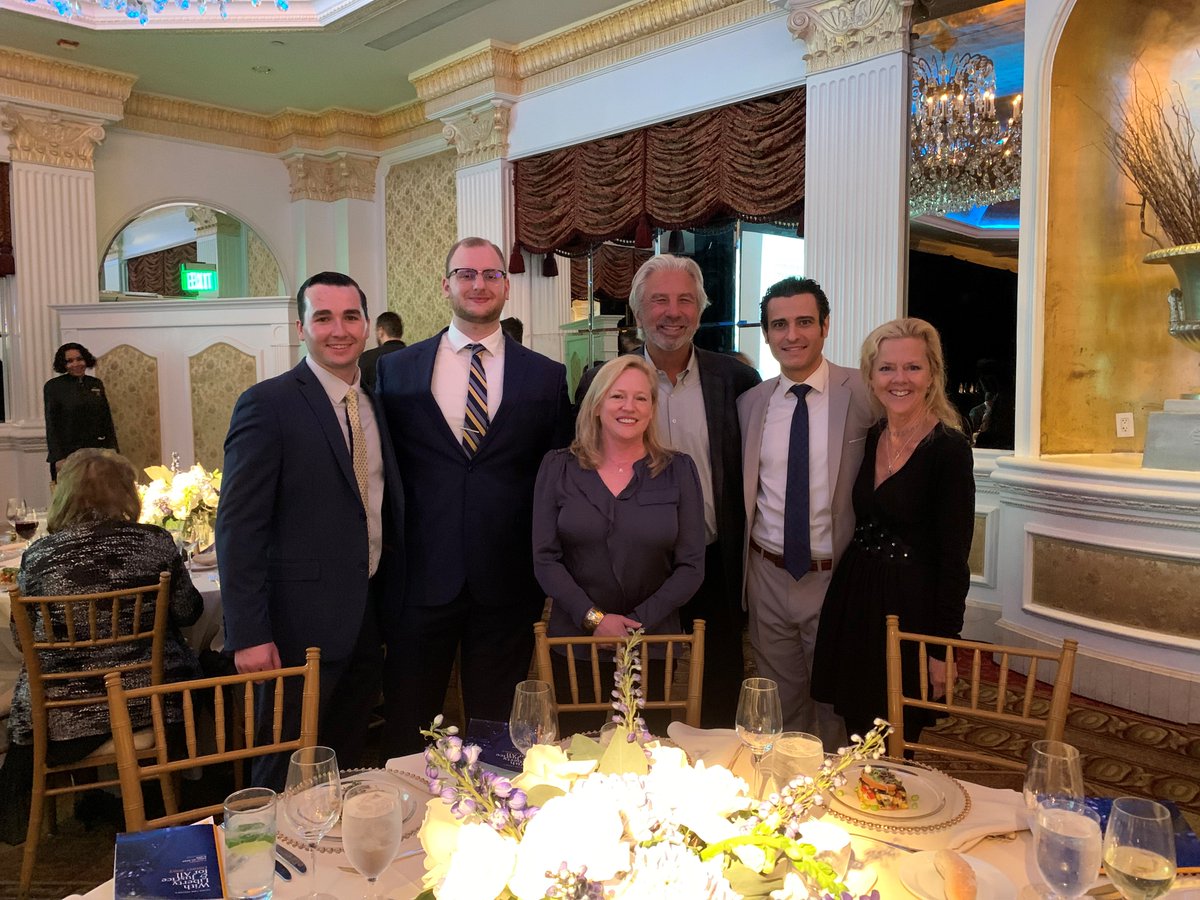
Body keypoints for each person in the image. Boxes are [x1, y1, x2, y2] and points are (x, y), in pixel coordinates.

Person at [375, 237, 573, 754]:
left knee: (496, 727)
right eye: (466, 274)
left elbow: (556, 478)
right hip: (418, 576)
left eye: (490, 275)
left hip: (507, 579)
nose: (479, 284)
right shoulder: (394, 373)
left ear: (506, 286)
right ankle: (408, 818)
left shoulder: (546, 377)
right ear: (446, 285)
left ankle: (494, 819)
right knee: (411, 720)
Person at [216, 271, 405, 786]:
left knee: (343, 765)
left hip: (365, 619)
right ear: (301, 327)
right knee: (282, 771)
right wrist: (248, 633)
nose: (338, 329)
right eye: (323, 317)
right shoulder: (268, 403)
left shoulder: (375, 404)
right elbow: (238, 525)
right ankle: (270, 865)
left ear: (367, 326)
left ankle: (330, 860)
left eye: (350, 316)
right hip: (293, 628)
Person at [576, 254, 760, 727]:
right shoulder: (605, 383)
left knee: (720, 680)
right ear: (639, 312)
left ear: (700, 310)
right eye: (659, 300)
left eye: (684, 300)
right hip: (636, 565)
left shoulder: (736, 380)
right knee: (636, 689)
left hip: (714, 561)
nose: (672, 311)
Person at [0, 448, 202, 840]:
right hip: (147, 706)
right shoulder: (155, 544)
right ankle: (182, 795)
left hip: (60, 720)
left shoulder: (38, 556)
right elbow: (190, 612)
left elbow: (24, 644)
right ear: (127, 494)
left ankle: (90, 802)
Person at [811, 317, 975, 742]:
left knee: (895, 740)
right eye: (887, 368)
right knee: (854, 731)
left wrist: (941, 649)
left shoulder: (950, 451)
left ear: (932, 374)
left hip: (910, 609)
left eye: (912, 368)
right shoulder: (871, 435)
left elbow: (954, 561)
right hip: (855, 598)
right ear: (871, 375)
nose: (899, 379)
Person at [737, 277, 873, 748]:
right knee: (779, 700)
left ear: (825, 326)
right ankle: (789, 797)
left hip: (835, 576)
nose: (791, 335)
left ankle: (839, 800)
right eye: (779, 325)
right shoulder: (750, 404)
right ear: (766, 333)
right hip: (767, 573)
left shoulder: (864, 391)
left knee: (836, 701)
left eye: (803, 322)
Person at [532, 356, 704, 725]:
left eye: (641, 398)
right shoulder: (557, 467)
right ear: (596, 404)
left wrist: (634, 625)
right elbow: (545, 558)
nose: (629, 407)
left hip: (654, 642)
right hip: (574, 643)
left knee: (648, 754)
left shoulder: (679, 470)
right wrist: (595, 619)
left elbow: (691, 566)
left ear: (652, 408)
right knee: (576, 753)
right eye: (617, 396)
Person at [43, 343, 119, 482]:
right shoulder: (53, 387)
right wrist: (58, 458)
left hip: (96, 453)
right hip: (68, 455)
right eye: (70, 361)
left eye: (79, 359)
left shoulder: (96, 384)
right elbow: (52, 425)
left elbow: (106, 419)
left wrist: (113, 451)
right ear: (63, 364)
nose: (76, 364)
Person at [358, 311, 406, 395]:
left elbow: (361, 396)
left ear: (380, 331)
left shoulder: (367, 357)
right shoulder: (416, 356)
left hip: (378, 408)